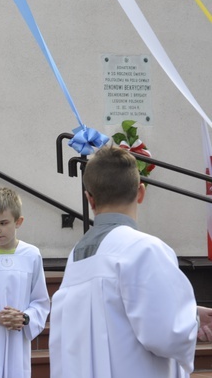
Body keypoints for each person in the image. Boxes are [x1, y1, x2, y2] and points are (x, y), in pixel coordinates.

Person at [49, 145, 201, 377]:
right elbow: (169, 334)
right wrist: (191, 318)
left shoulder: (76, 257)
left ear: (89, 199)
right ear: (140, 192)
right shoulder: (145, 249)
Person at [0, 188, 50, 378]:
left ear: (18, 222)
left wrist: (25, 318)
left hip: (17, 340)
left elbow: (40, 301)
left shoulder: (31, 255)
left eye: (4, 223)